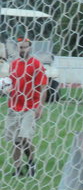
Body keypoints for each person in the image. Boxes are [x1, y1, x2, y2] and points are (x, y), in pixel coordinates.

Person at [4, 38, 49, 177]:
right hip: (14, 106)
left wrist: (40, 107)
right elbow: (11, 83)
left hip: (30, 106)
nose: (22, 50)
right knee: (15, 141)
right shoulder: (14, 64)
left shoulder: (36, 65)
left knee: (25, 138)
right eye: (20, 47)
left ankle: (31, 163)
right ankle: (18, 170)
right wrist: (6, 90)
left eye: (25, 47)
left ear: (30, 48)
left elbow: (43, 87)